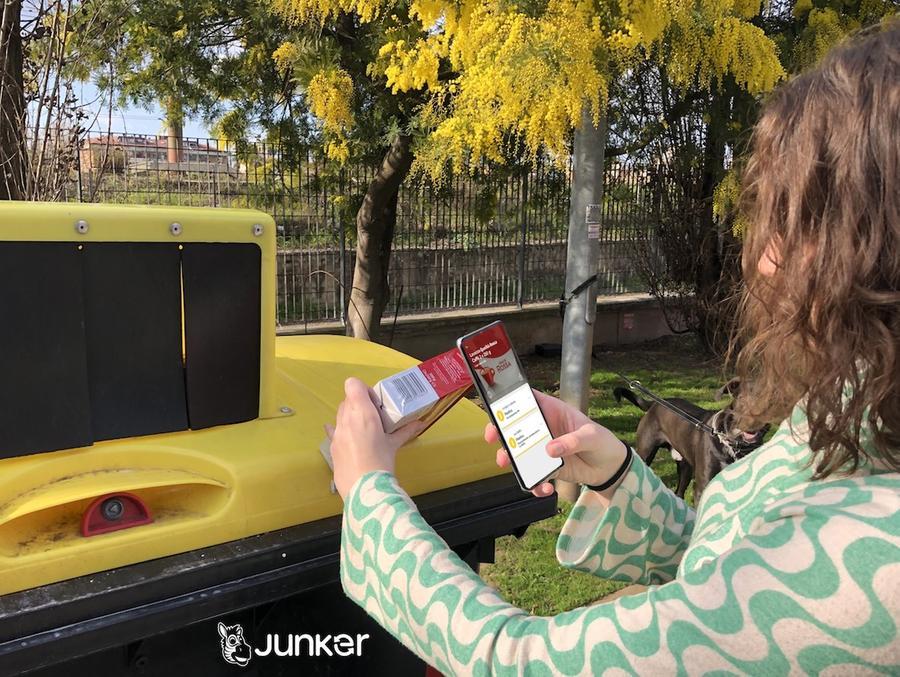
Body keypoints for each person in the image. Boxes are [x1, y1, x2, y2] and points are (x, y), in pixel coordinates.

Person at [325, 22, 899, 674]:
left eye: (803, 224)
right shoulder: (860, 410)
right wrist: (615, 474)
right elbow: (736, 585)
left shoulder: (879, 562)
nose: (766, 264)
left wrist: (370, 494)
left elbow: (522, 662)